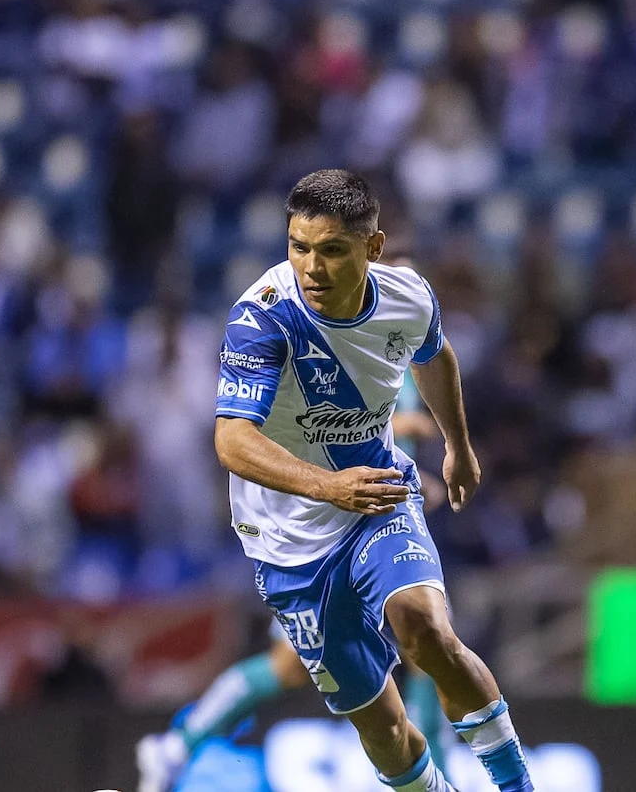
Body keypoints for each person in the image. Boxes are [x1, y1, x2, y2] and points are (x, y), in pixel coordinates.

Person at [210, 169, 533, 792]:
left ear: (373, 249)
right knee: (384, 731)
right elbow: (231, 439)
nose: (312, 268)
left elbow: (434, 355)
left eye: (332, 250)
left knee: (427, 627)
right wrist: (327, 487)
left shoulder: (409, 296)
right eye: (299, 248)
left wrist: (458, 449)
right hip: (287, 540)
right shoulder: (263, 318)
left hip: (378, 498)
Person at [134, 401, 450, 792]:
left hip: (384, 525)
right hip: (323, 535)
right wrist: (395, 425)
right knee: (289, 665)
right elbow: (305, 423)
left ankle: (441, 777)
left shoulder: (412, 353)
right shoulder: (342, 343)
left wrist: (414, 480)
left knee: (427, 646)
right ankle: (180, 744)